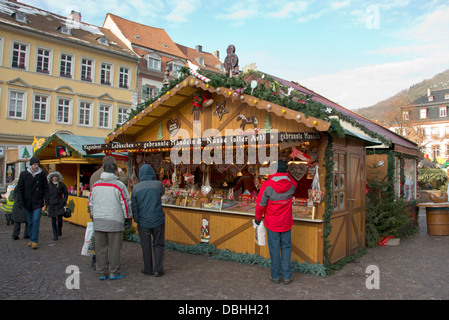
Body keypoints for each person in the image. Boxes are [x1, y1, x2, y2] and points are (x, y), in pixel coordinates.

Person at [254, 160, 297, 285]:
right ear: (286, 171)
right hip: (286, 222)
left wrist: (257, 219)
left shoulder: (267, 185)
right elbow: (294, 183)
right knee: (286, 248)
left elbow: (260, 205)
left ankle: (276, 276)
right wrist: (287, 176)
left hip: (272, 223)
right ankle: (287, 276)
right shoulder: (292, 184)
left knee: (274, 249)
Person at [88, 162, 132, 280]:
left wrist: (94, 216)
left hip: (99, 221)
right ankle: (114, 272)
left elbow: (90, 203)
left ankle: (102, 272)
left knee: (100, 248)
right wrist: (128, 217)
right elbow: (126, 203)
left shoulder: (96, 185)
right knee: (114, 248)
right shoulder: (119, 185)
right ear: (115, 172)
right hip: (114, 221)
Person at [131, 164, 166, 277]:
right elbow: (162, 193)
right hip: (158, 219)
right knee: (159, 244)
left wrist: (137, 220)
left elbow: (134, 207)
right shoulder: (158, 185)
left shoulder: (136, 188)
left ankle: (148, 269)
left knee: (145, 246)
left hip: (143, 221)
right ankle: (158, 269)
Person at [15, 157, 49, 250]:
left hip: (37, 201)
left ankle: (34, 240)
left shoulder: (41, 174)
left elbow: (46, 187)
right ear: (31, 165)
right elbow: (20, 188)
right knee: (29, 222)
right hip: (27, 202)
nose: (36, 166)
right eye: (34, 165)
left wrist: (47, 199)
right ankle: (31, 238)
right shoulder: (24, 174)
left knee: (36, 220)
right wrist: (20, 200)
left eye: (37, 165)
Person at [47, 172, 68, 241]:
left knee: (60, 220)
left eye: (56, 176)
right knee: (53, 221)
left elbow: (66, 193)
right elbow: (46, 195)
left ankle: (59, 229)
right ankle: (55, 234)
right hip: (52, 205)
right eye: (54, 176)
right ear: (51, 178)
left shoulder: (61, 185)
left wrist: (63, 201)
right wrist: (47, 203)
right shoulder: (49, 185)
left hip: (59, 204)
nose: (55, 178)